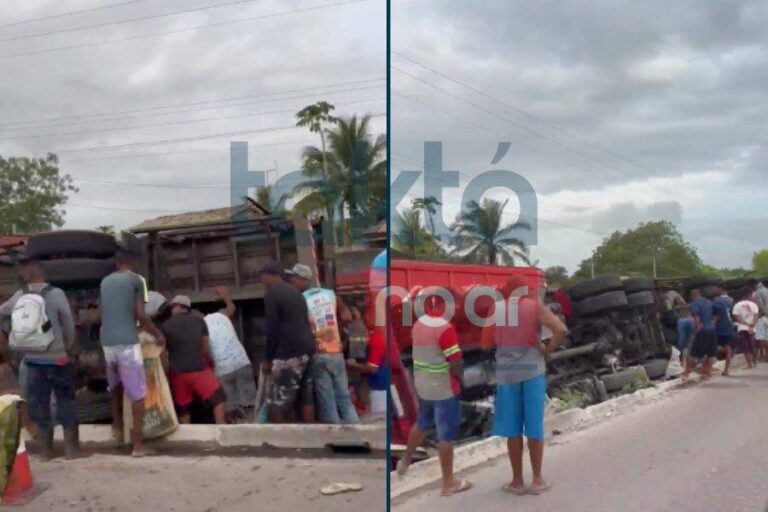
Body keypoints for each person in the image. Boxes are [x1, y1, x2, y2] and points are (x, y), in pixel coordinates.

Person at [485, 275, 567, 495]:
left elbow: (484, 342)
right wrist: (546, 350)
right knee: (534, 427)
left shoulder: (497, 309)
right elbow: (560, 330)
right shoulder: (534, 307)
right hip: (533, 373)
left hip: (507, 376)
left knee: (513, 430)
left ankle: (517, 482)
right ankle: (538, 480)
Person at [0, 257, 78, 460]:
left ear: (28, 273)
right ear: (42, 272)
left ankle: (45, 451)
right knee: (66, 401)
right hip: (58, 358)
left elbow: (1, 312)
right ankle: (71, 449)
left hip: (32, 360)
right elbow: (68, 323)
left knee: (39, 405)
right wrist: (68, 347)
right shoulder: (56, 294)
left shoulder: (19, 296)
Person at [396, 287, 471, 497]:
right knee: (445, 434)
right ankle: (449, 483)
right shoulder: (445, 328)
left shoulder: (419, 325)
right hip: (443, 387)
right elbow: (455, 361)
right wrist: (460, 378)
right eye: (455, 304)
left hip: (423, 385)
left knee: (421, 423)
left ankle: (406, 461)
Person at [100, 248, 164, 457]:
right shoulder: (138, 280)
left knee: (116, 387)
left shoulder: (105, 282)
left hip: (107, 341)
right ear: (133, 262)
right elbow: (140, 314)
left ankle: (118, 431)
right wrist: (157, 335)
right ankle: (138, 446)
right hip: (127, 342)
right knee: (138, 395)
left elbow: (108, 313)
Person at [286, 263, 359, 424]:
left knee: (327, 398)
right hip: (336, 352)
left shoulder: (300, 300)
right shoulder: (330, 294)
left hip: (318, 353)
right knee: (344, 396)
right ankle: (357, 431)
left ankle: (336, 436)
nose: (291, 281)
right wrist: (339, 335)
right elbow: (347, 317)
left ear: (302, 280)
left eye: (293, 278)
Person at [260, 262, 316, 423]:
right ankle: (310, 434)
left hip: (288, 353)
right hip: (307, 350)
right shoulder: (296, 294)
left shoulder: (272, 294)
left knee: (277, 399)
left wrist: (267, 358)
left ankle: (279, 439)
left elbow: (272, 328)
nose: (262, 281)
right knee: (306, 396)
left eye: (263, 277)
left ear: (269, 276)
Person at [161, 295, 226, 424]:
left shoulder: (165, 325)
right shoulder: (199, 321)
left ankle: (186, 433)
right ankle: (221, 426)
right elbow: (206, 350)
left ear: (176, 306)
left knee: (183, 406)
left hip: (178, 374)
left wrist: (166, 372)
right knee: (218, 397)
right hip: (198, 370)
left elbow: (162, 353)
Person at [200, 286, 256, 423]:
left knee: (229, 405)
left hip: (222, 369)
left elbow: (205, 352)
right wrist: (226, 296)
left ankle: (234, 429)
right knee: (248, 403)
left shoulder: (201, 325)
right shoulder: (221, 316)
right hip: (242, 363)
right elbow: (232, 308)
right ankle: (250, 425)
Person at [346, 320, 387, 421]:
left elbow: (372, 369)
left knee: (374, 420)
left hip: (379, 390)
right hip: (375, 386)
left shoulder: (376, 341)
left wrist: (354, 365)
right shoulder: (370, 338)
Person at [684, 289, 717, 380]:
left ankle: (686, 373)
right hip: (712, 329)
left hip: (703, 330)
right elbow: (715, 315)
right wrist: (712, 323)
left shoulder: (695, 303)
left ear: (692, 296)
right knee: (710, 353)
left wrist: (697, 327)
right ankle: (708, 373)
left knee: (692, 352)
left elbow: (697, 317)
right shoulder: (709, 302)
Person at [712, 287, 735, 376]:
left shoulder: (716, 300)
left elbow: (715, 315)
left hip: (719, 328)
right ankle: (726, 370)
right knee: (728, 348)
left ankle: (708, 367)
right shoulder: (731, 300)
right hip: (729, 327)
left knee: (713, 345)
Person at [732, 296, 759, 369]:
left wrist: (746, 324)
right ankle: (755, 362)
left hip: (742, 328)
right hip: (752, 328)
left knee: (745, 347)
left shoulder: (737, 305)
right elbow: (756, 316)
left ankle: (749, 364)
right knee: (753, 345)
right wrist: (752, 325)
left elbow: (736, 317)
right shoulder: (753, 304)